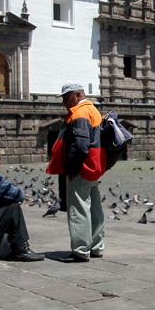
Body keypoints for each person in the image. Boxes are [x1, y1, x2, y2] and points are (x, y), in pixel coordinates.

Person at [47, 82, 107, 263]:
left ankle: (80, 250)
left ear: (79, 95)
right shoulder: (93, 110)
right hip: (94, 166)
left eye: (67, 97)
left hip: (81, 168)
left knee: (79, 209)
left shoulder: (79, 114)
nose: (64, 102)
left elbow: (80, 146)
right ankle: (97, 246)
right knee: (95, 208)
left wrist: (72, 169)